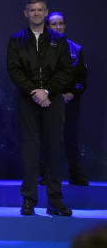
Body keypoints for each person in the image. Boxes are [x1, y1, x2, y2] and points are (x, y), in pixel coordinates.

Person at [8, 0, 75, 217]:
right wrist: (33, 92)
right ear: (26, 13)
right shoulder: (16, 40)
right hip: (28, 101)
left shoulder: (59, 40)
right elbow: (14, 70)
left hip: (53, 100)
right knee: (29, 150)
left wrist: (47, 92)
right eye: (32, 10)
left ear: (46, 13)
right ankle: (29, 200)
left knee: (54, 150)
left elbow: (66, 71)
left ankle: (55, 200)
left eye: (40, 10)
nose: (36, 13)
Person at [46, 12, 89, 186]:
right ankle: (45, 175)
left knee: (70, 138)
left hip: (69, 102)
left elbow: (82, 79)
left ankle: (75, 174)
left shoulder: (76, 49)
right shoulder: (40, 50)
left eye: (61, 23)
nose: (58, 27)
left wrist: (71, 94)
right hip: (47, 101)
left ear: (65, 26)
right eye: (54, 24)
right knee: (47, 138)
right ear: (48, 27)